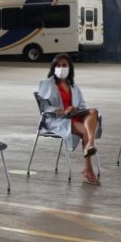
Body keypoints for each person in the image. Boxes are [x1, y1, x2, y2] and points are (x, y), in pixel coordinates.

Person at [37, 53, 102, 185]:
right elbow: (44, 107)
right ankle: (88, 167)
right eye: (58, 65)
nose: (61, 68)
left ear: (70, 68)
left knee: (93, 112)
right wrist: (61, 111)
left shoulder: (73, 86)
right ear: (53, 67)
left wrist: (75, 110)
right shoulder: (46, 84)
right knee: (86, 131)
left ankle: (90, 144)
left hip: (73, 116)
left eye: (64, 65)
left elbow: (83, 105)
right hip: (57, 119)